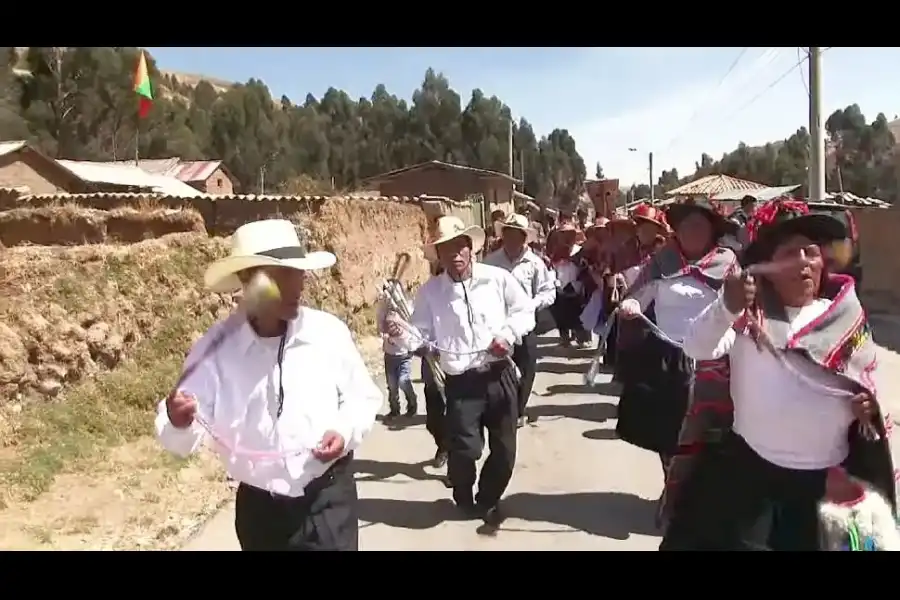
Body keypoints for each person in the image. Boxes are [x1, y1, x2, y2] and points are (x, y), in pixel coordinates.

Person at [660, 199, 897, 551]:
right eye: (790, 253)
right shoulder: (745, 316)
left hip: (825, 485)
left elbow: (868, 386)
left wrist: (868, 412)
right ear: (766, 266)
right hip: (750, 480)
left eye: (811, 252)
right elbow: (696, 346)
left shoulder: (847, 319)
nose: (803, 262)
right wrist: (726, 306)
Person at [156, 219, 382, 551]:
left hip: (328, 501)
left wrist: (343, 431)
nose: (296, 287)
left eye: (298, 274)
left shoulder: (327, 333)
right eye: (280, 277)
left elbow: (362, 398)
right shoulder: (215, 349)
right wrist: (178, 420)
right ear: (248, 282)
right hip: (260, 514)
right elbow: (179, 438)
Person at [386, 216, 534, 527]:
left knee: (505, 450)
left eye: (459, 247)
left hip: (499, 373)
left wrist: (506, 334)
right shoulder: (430, 293)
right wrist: (400, 332)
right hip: (461, 382)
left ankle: (488, 498)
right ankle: (464, 496)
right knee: (466, 449)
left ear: (471, 248)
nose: (454, 255)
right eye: (446, 249)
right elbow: (420, 335)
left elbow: (524, 311)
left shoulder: (497, 279)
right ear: (438, 256)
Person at [614, 199, 739, 521]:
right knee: (670, 434)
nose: (692, 232)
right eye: (685, 227)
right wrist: (631, 306)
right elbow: (639, 296)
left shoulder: (727, 265)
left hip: (715, 362)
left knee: (711, 436)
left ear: (712, 231)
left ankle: (699, 498)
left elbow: (743, 311)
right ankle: (673, 490)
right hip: (668, 359)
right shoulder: (662, 261)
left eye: (699, 226)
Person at [484, 213, 557, 428]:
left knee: (527, 368)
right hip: (498, 326)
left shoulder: (535, 263)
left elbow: (548, 292)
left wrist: (532, 305)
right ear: (503, 236)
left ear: (524, 237)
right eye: (509, 234)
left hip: (525, 326)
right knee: (497, 368)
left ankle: (517, 409)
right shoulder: (490, 262)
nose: (512, 239)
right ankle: (502, 408)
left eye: (517, 235)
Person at [377, 301, 418, 423]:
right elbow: (379, 327)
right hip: (390, 355)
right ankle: (394, 409)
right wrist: (384, 335)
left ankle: (412, 404)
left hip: (404, 354)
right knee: (392, 385)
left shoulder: (406, 308)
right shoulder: (383, 310)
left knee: (403, 381)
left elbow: (413, 329)